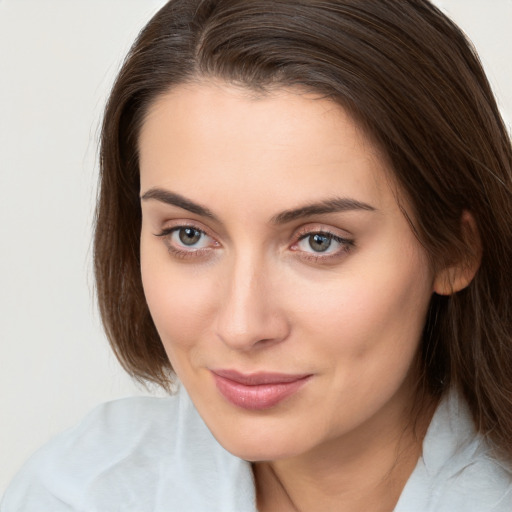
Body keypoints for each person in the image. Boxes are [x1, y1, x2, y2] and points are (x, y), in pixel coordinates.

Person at [2, 0, 512, 510]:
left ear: (454, 251)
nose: (243, 327)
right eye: (188, 235)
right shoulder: (73, 493)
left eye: (320, 241)